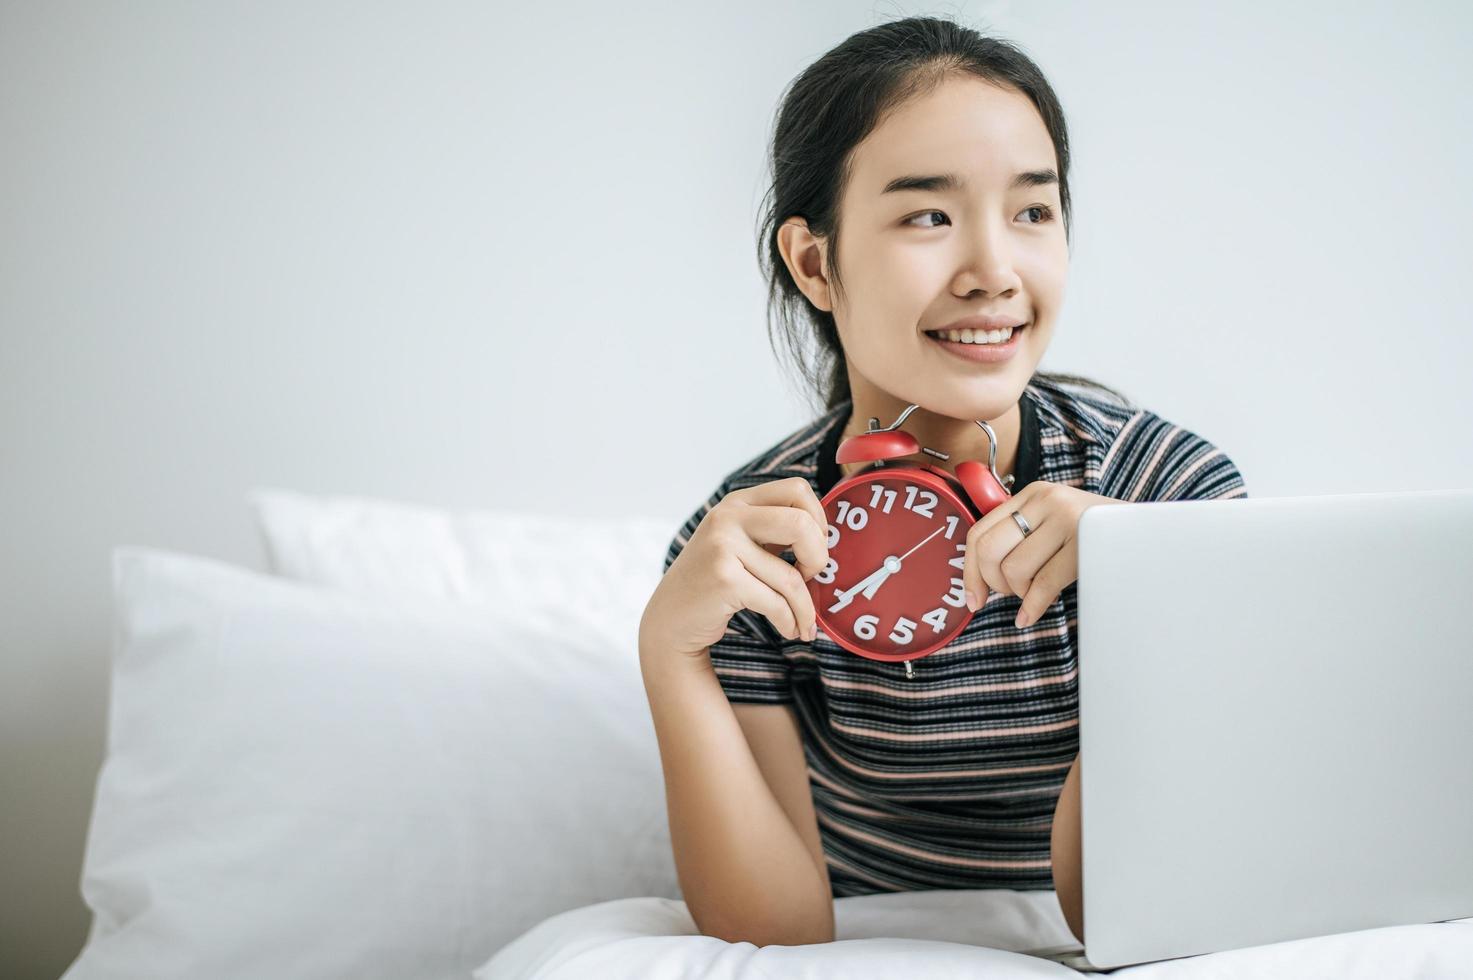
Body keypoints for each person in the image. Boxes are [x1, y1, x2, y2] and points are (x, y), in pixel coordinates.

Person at [637, 15, 1247, 950]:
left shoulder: (1169, 492)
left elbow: (1128, 916)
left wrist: (1143, 587)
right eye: (928, 214)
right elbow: (778, 935)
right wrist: (669, 653)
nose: (993, 272)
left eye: (1032, 211)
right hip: (873, 927)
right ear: (814, 262)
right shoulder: (752, 544)